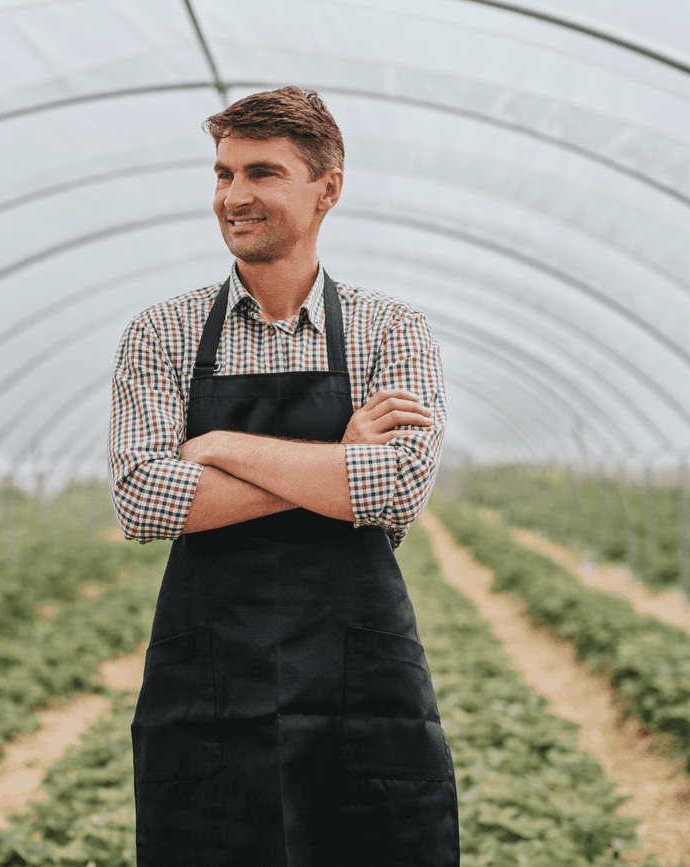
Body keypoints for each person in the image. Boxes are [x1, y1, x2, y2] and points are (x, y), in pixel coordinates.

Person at [108, 86, 456, 866]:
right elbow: (142, 497)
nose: (234, 196)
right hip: (208, 682)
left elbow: (394, 488)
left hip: (356, 680)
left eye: (261, 172)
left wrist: (219, 443)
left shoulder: (391, 329)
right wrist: (336, 458)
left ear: (327, 188)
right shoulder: (160, 332)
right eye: (223, 174)